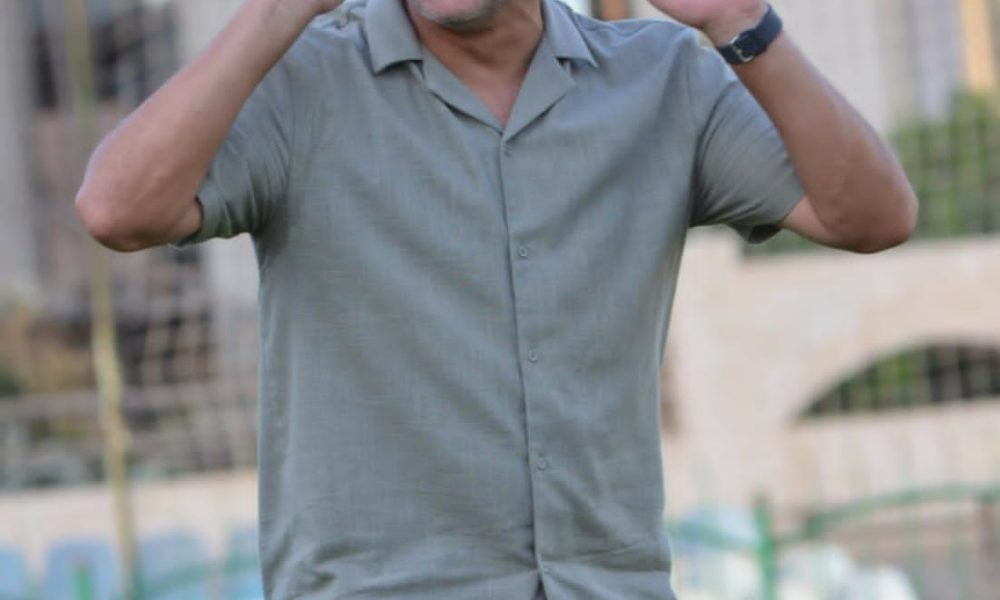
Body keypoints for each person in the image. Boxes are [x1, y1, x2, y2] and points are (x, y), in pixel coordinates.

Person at [74, 0, 918, 596]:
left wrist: (740, 20)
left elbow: (873, 217)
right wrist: (274, 13)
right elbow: (116, 209)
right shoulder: (302, 83)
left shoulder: (665, 80)